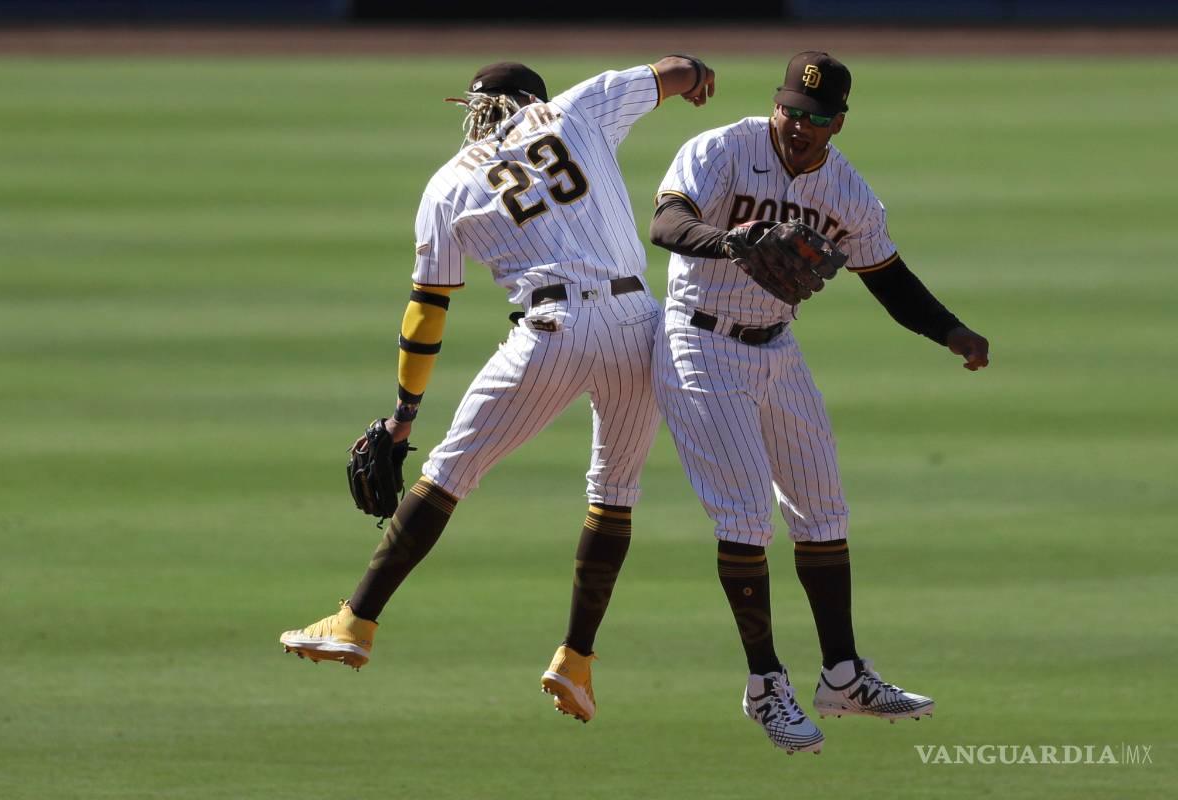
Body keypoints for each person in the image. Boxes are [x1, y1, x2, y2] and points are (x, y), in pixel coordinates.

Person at [279, 56, 716, 724]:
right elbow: (678, 68)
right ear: (532, 100)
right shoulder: (579, 107)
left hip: (554, 328)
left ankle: (355, 623)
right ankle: (576, 661)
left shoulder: (448, 183)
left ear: (478, 109)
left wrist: (403, 416)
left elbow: (428, 310)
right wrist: (696, 75)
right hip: (639, 325)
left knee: (450, 472)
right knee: (615, 493)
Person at [648, 51, 989, 754]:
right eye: (790, 111)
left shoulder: (847, 191)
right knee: (746, 516)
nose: (798, 126)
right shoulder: (723, 149)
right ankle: (766, 685)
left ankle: (843, 676)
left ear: (838, 123)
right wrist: (732, 240)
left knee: (823, 509)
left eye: (815, 118)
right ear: (776, 104)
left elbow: (887, 277)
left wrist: (951, 331)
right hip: (700, 341)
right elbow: (667, 224)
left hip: (777, 347)